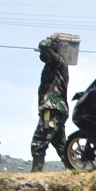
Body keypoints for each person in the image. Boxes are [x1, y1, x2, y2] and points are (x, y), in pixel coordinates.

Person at [30, 35, 70, 172]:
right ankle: (74, 169)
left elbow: (44, 46)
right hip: (57, 109)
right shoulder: (55, 64)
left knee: (39, 141)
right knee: (61, 145)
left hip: (52, 109)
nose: (42, 55)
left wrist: (51, 39)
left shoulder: (58, 61)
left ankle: (36, 172)